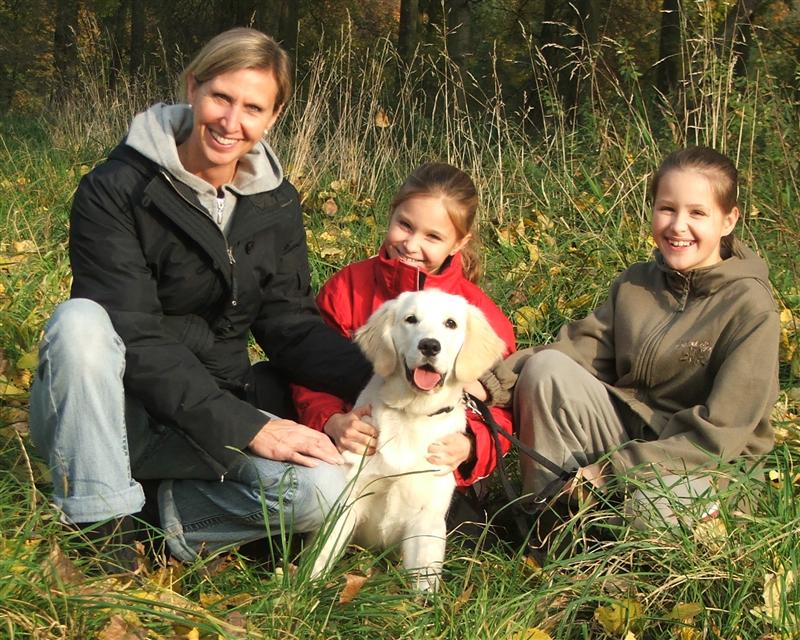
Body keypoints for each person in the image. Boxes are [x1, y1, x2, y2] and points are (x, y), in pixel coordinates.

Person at [28, 28, 372, 566]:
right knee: (79, 323)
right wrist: (249, 426)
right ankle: (96, 527)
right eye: (221, 97)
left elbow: (290, 326)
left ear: (272, 117)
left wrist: (384, 376)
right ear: (193, 87)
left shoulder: (275, 203)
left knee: (322, 494)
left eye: (252, 108)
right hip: (107, 416)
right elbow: (133, 334)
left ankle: (156, 519)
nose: (231, 122)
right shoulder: (116, 188)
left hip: (207, 419)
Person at [478, 146, 780, 525]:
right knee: (545, 369)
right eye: (667, 208)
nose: (678, 226)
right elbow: (578, 350)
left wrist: (610, 471)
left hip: (709, 462)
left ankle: (628, 553)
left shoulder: (751, 307)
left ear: (728, 220)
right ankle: (549, 526)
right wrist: (491, 384)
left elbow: (720, 437)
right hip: (632, 431)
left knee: (650, 507)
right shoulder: (635, 283)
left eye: (698, 213)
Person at [292, 162, 516, 492]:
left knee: (454, 525)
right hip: (352, 453)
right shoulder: (346, 289)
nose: (411, 245)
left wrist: (470, 444)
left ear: (458, 243)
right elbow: (309, 369)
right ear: (392, 212)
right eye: (405, 225)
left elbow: (503, 405)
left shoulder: (477, 314)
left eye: (433, 237)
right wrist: (331, 420)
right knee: (312, 497)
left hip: (433, 469)